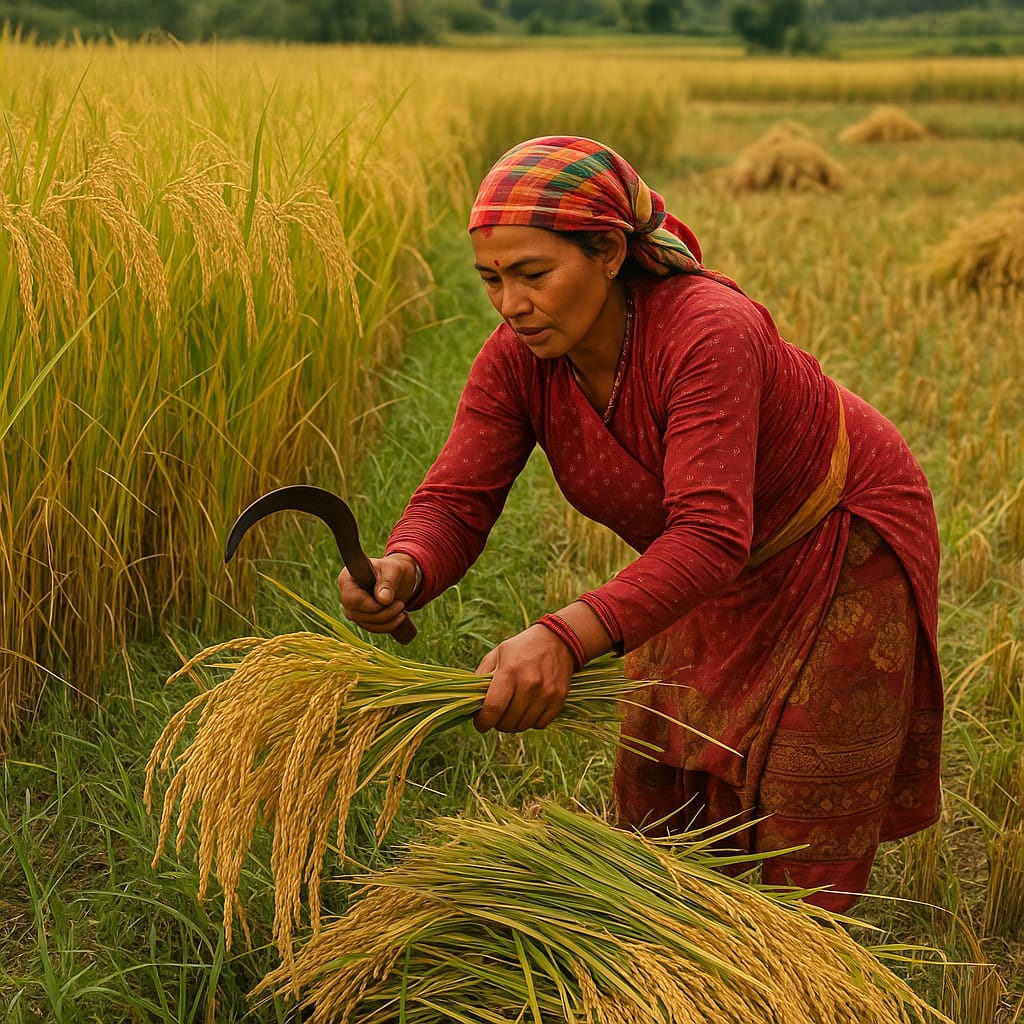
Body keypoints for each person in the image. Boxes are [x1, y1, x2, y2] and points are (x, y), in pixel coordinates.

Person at [338, 135, 942, 913]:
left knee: (801, 823)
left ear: (609, 253)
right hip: (695, 558)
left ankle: (799, 976)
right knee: (664, 809)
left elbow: (711, 532)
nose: (511, 304)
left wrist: (563, 636)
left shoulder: (705, 331)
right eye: (491, 280)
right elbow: (457, 500)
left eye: (532, 274)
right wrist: (405, 568)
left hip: (832, 540)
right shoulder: (517, 360)